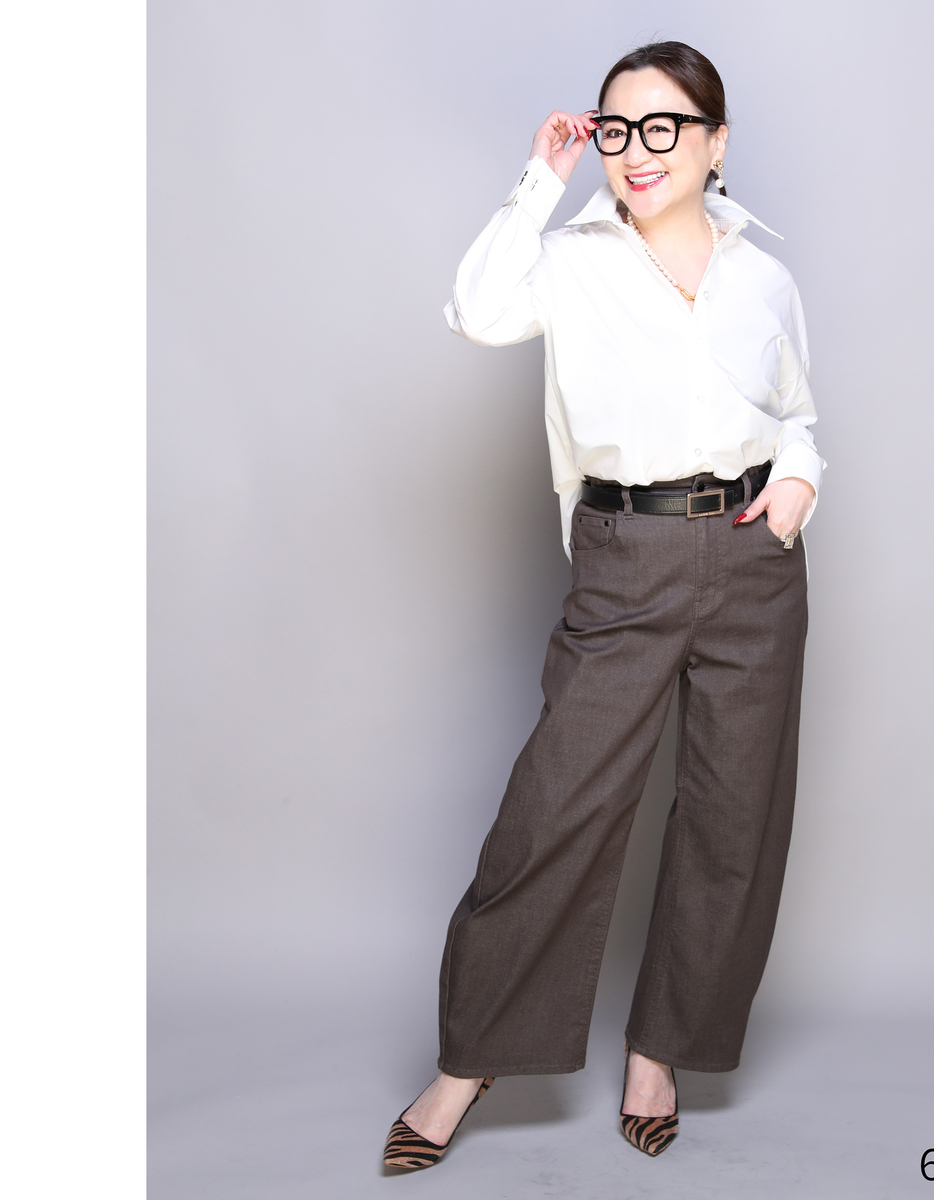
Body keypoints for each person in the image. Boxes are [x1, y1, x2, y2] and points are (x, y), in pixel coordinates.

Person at [383, 40, 825, 1168]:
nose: (637, 149)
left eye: (664, 126)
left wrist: (798, 482)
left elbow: (796, 411)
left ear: (716, 143)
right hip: (626, 554)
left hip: (755, 558)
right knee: (556, 808)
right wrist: (543, 176)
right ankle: (468, 1063)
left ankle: (659, 1052)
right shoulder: (573, 259)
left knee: (734, 819)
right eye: (617, 128)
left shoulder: (763, 275)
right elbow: (475, 310)